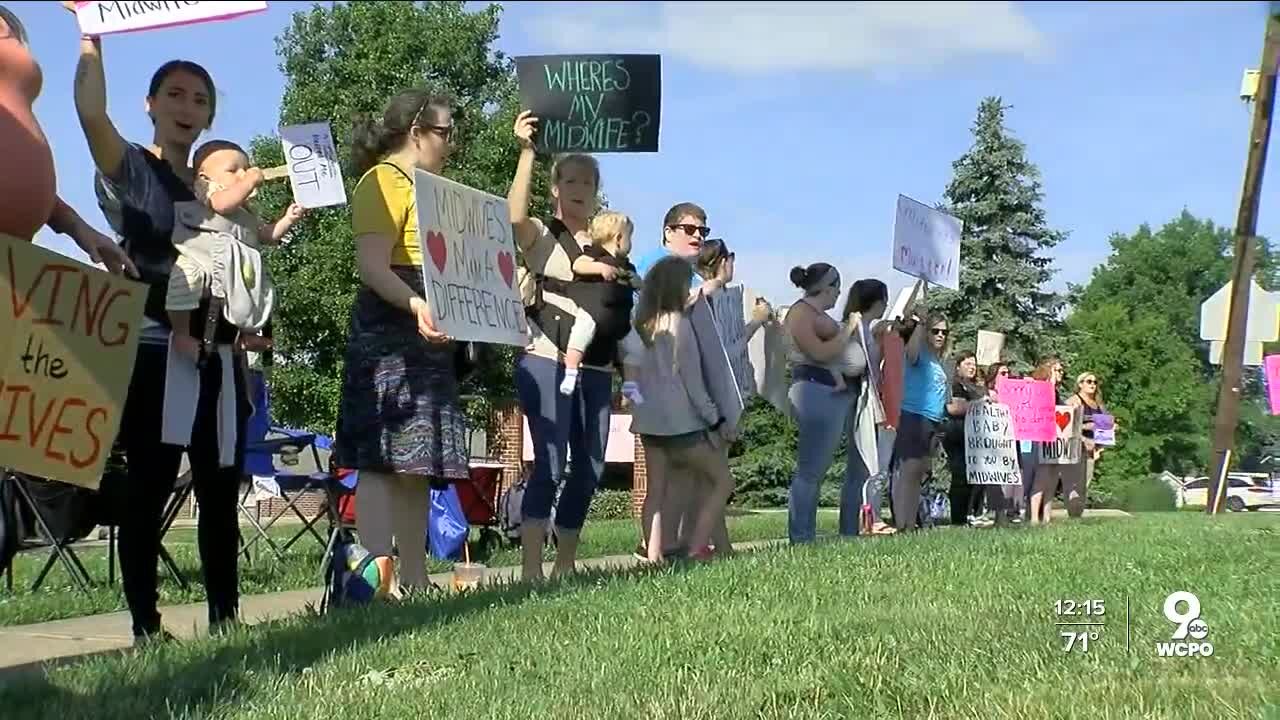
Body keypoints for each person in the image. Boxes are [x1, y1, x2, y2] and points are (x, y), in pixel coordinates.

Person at [73, 32, 249, 641]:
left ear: (209, 115)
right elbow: (91, 114)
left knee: (221, 489)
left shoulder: (218, 191)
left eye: (199, 99)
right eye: (174, 94)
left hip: (221, 355)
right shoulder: (133, 171)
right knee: (149, 489)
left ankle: (226, 620)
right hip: (154, 348)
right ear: (149, 103)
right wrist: (90, 40)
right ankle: (146, 624)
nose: (187, 106)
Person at [334, 88, 470, 594]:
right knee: (380, 457)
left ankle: (414, 578)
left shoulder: (436, 190)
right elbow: (371, 265)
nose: (451, 143)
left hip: (427, 324)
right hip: (389, 329)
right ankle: (374, 580)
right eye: (445, 132)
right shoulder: (381, 183)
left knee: (417, 462)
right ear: (416, 133)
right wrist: (416, 304)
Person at [508, 111, 624, 581]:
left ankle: (566, 564)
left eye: (588, 181)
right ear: (555, 187)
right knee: (550, 463)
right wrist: (528, 151)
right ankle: (531, 569)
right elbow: (512, 216)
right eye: (570, 179)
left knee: (590, 467)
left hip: (596, 369)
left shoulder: (606, 245)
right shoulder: (540, 234)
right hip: (544, 358)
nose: (579, 188)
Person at [629, 257, 736, 563]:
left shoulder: (639, 327)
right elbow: (692, 382)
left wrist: (637, 405)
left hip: (648, 423)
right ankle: (696, 546)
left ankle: (653, 555)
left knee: (655, 493)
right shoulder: (682, 324)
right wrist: (716, 419)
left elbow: (631, 380)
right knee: (721, 480)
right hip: (683, 423)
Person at [166, 140, 303, 363]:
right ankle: (181, 334)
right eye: (233, 170)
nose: (243, 174)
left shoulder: (246, 213)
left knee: (255, 293)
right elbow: (222, 205)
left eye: (246, 169)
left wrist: (289, 218)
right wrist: (250, 181)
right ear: (204, 178)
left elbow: (267, 235)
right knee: (185, 281)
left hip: (236, 266)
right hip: (203, 261)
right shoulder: (211, 194)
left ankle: (248, 334)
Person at [783, 263, 871, 544]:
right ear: (827, 285)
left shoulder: (817, 315)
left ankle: (805, 535)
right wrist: (847, 331)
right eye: (838, 288)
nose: (839, 295)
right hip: (813, 389)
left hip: (829, 390)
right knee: (810, 470)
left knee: (816, 470)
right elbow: (819, 352)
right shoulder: (800, 313)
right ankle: (801, 538)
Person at [558, 210, 643, 398]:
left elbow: (637, 282)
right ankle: (571, 370)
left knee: (636, 347)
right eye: (630, 238)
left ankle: (630, 385)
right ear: (619, 238)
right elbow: (578, 265)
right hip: (594, 307)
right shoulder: (595, 252)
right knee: (582, 329)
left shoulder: (626, 266)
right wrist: (600, 267)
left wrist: (636, 280)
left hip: (619, 316)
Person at [893, 300, 961, 532]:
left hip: (932, 420)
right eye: (935, 331)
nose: (940, 335)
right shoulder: (918, 351)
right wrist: (920, 323)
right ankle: (904, 525)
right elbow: (910, 354)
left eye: (944, 331)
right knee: (909, 472)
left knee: (920, 473)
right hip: (914, 416)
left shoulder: (939, 362)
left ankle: (910, 523)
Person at [943, 351, 992, 527]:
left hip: (974, 437)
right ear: (958, 367)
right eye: (968, 364)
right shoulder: (955, 384)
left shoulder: (975, 387)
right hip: (957, 435)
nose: (972, 367)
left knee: (973, 478)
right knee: (961, 476)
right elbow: (954, 407)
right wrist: (979, 404)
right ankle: (958, 518)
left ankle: (970, 514)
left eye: (974, 364)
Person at [1027, 356, 1072, 525]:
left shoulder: (1056, 390)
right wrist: (1050, 381)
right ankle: (1033, 517)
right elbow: (1045, 404)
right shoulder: (1041, 388)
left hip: (1054, 438)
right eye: (1058, 370)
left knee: (1052, 478)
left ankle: (1046, 515)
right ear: (1049, 369)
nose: (1062, 373)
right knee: (1041, 477)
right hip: (1040, 437)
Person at [1066, 372, 1111, 518]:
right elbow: (1067, 424)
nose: (1093, 384)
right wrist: (1087, 430)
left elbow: (1104, 426)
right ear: (1080, 384)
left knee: (1085, 482)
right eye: (1089, 381)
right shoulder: (1074, 401)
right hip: (1076, 446)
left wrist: (1111, 426)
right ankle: (1072, 513)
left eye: (1095, 382)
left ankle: (1077, 515)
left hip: (1093, 449)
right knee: (1074, 482)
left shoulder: (1099, 404)